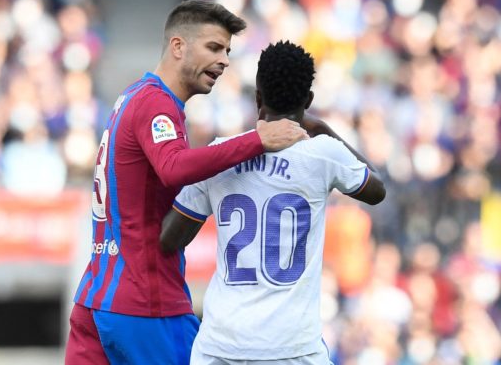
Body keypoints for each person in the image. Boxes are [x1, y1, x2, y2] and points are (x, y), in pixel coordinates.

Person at [64, 0, 309, 365]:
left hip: (96, 301)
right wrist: (258, 138)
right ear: (178, 46)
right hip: (145, 304)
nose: (225, 60)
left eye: (227, 50)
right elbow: (174, 167)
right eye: (214, 47)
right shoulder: (156, 104)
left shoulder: (132, 97)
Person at [159, 41, 386, 365]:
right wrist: (323, 129)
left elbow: (169, 239)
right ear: (307, 101)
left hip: (221, 348)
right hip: (294, 349)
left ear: (257, 99)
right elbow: (377, 189)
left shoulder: (219, 153)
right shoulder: (324, 154)